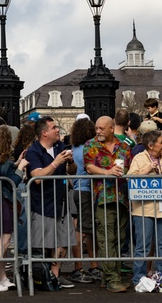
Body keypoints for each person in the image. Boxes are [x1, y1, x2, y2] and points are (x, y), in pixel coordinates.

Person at [24, 116, 74, 289]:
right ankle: (43, 275)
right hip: (42, 204)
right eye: (54, 128)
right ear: (44, 133)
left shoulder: (61, 146)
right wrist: (56, 162)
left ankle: (55, 275)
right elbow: (37, 177)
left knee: (63, 239)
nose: (57, 130)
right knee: (44, 243)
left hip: (61, 201)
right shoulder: (33, 151)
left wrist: (70, 161)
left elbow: (72, 172)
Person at [83, 115, 132, 293]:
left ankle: (109, 275)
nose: (98, 132)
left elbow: (130, 167)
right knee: (106, 239)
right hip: (103, 198)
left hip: (122, 198)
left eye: (101, 129)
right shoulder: (91, 145)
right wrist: (107, 171)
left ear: (112, 128)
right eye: (96, 128)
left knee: (119, 239)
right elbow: (89, 167)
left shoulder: (124, 146)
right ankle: (112, 278)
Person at [0, 125, 28, 291]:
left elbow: (2, 173)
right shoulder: (3, 158)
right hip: (1, 200)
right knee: (5, 241)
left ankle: (2, 277)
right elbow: (12, 181)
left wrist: (15, 163)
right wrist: (21, 167)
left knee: (1, 241)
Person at [127, 130, 162, 288]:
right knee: (143, 246)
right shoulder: (139, 158)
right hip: (143, 209)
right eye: (161, 142)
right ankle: (138, 278)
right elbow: (130, 178)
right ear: (151, 145)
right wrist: (146, 170)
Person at [68, 117, 97, 284]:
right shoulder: (88, 148)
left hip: (78, 189)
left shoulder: (75, 148)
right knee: (82, 231)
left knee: (87, 229)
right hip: (86, 190)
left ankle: (92, 266)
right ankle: (78, 268)